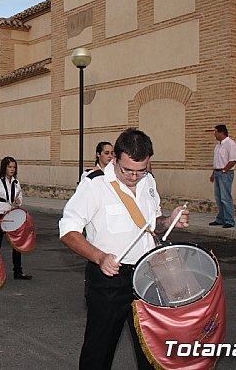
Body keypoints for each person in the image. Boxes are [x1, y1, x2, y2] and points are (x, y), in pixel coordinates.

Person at [59, 128, 189, 370]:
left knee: (152, 350)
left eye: (141, 170)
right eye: (128, 170)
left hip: (148, 275)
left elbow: (152, 225)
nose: (134, 176)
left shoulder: (148, 181)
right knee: (99, 351)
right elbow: (68, 230)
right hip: (109, 278)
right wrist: (99, 257)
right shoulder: (94, 184)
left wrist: (170, 221)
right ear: (115, 158)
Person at [0, 156, 32, 280]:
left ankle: (18, 271)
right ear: (4, 167)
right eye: (9, 167)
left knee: (17, 244)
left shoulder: (16, 182)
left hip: (11, 215)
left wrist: (18, 201)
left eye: (14, 167)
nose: (12, 169)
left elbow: (20, 200)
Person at [209, 124, 236, 229]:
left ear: (221, 133)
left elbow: (233, 160)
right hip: (217, 172)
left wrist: (224, 170)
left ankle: (229, 220)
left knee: (225, 197)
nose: (214, 134)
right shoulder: (218, 145)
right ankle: (220, 218)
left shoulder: (230, 144)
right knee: (218, 197)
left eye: (216, 132)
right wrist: (213, 174)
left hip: (225, 173)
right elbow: (217, 161)